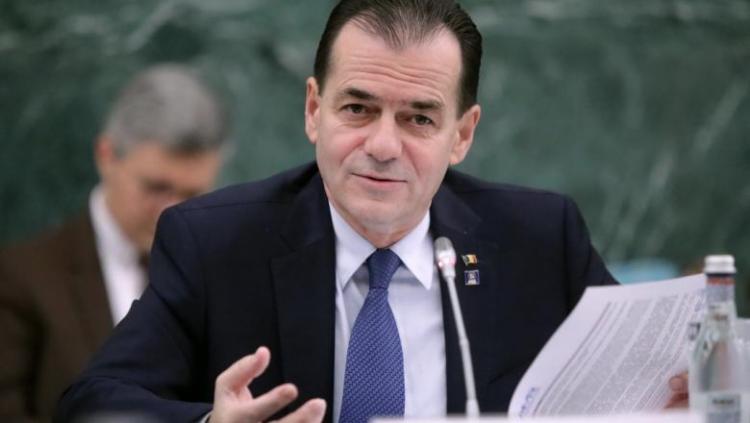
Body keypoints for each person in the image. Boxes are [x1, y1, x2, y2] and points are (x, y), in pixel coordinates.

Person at [55, 2, 685, 422]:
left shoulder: (540, 241)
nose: (383, 146)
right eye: (357, 109)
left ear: (462, 134)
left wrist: (686, 397)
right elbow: (93, 405)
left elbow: (649, 384)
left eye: (419, 119)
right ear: (314, 110)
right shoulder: (214, 242)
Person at [0, 64, 228, 422]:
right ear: (106, 155)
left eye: (191, 194)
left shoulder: (227, 277)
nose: (171, 212)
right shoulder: (19, 279)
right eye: (156, 187)